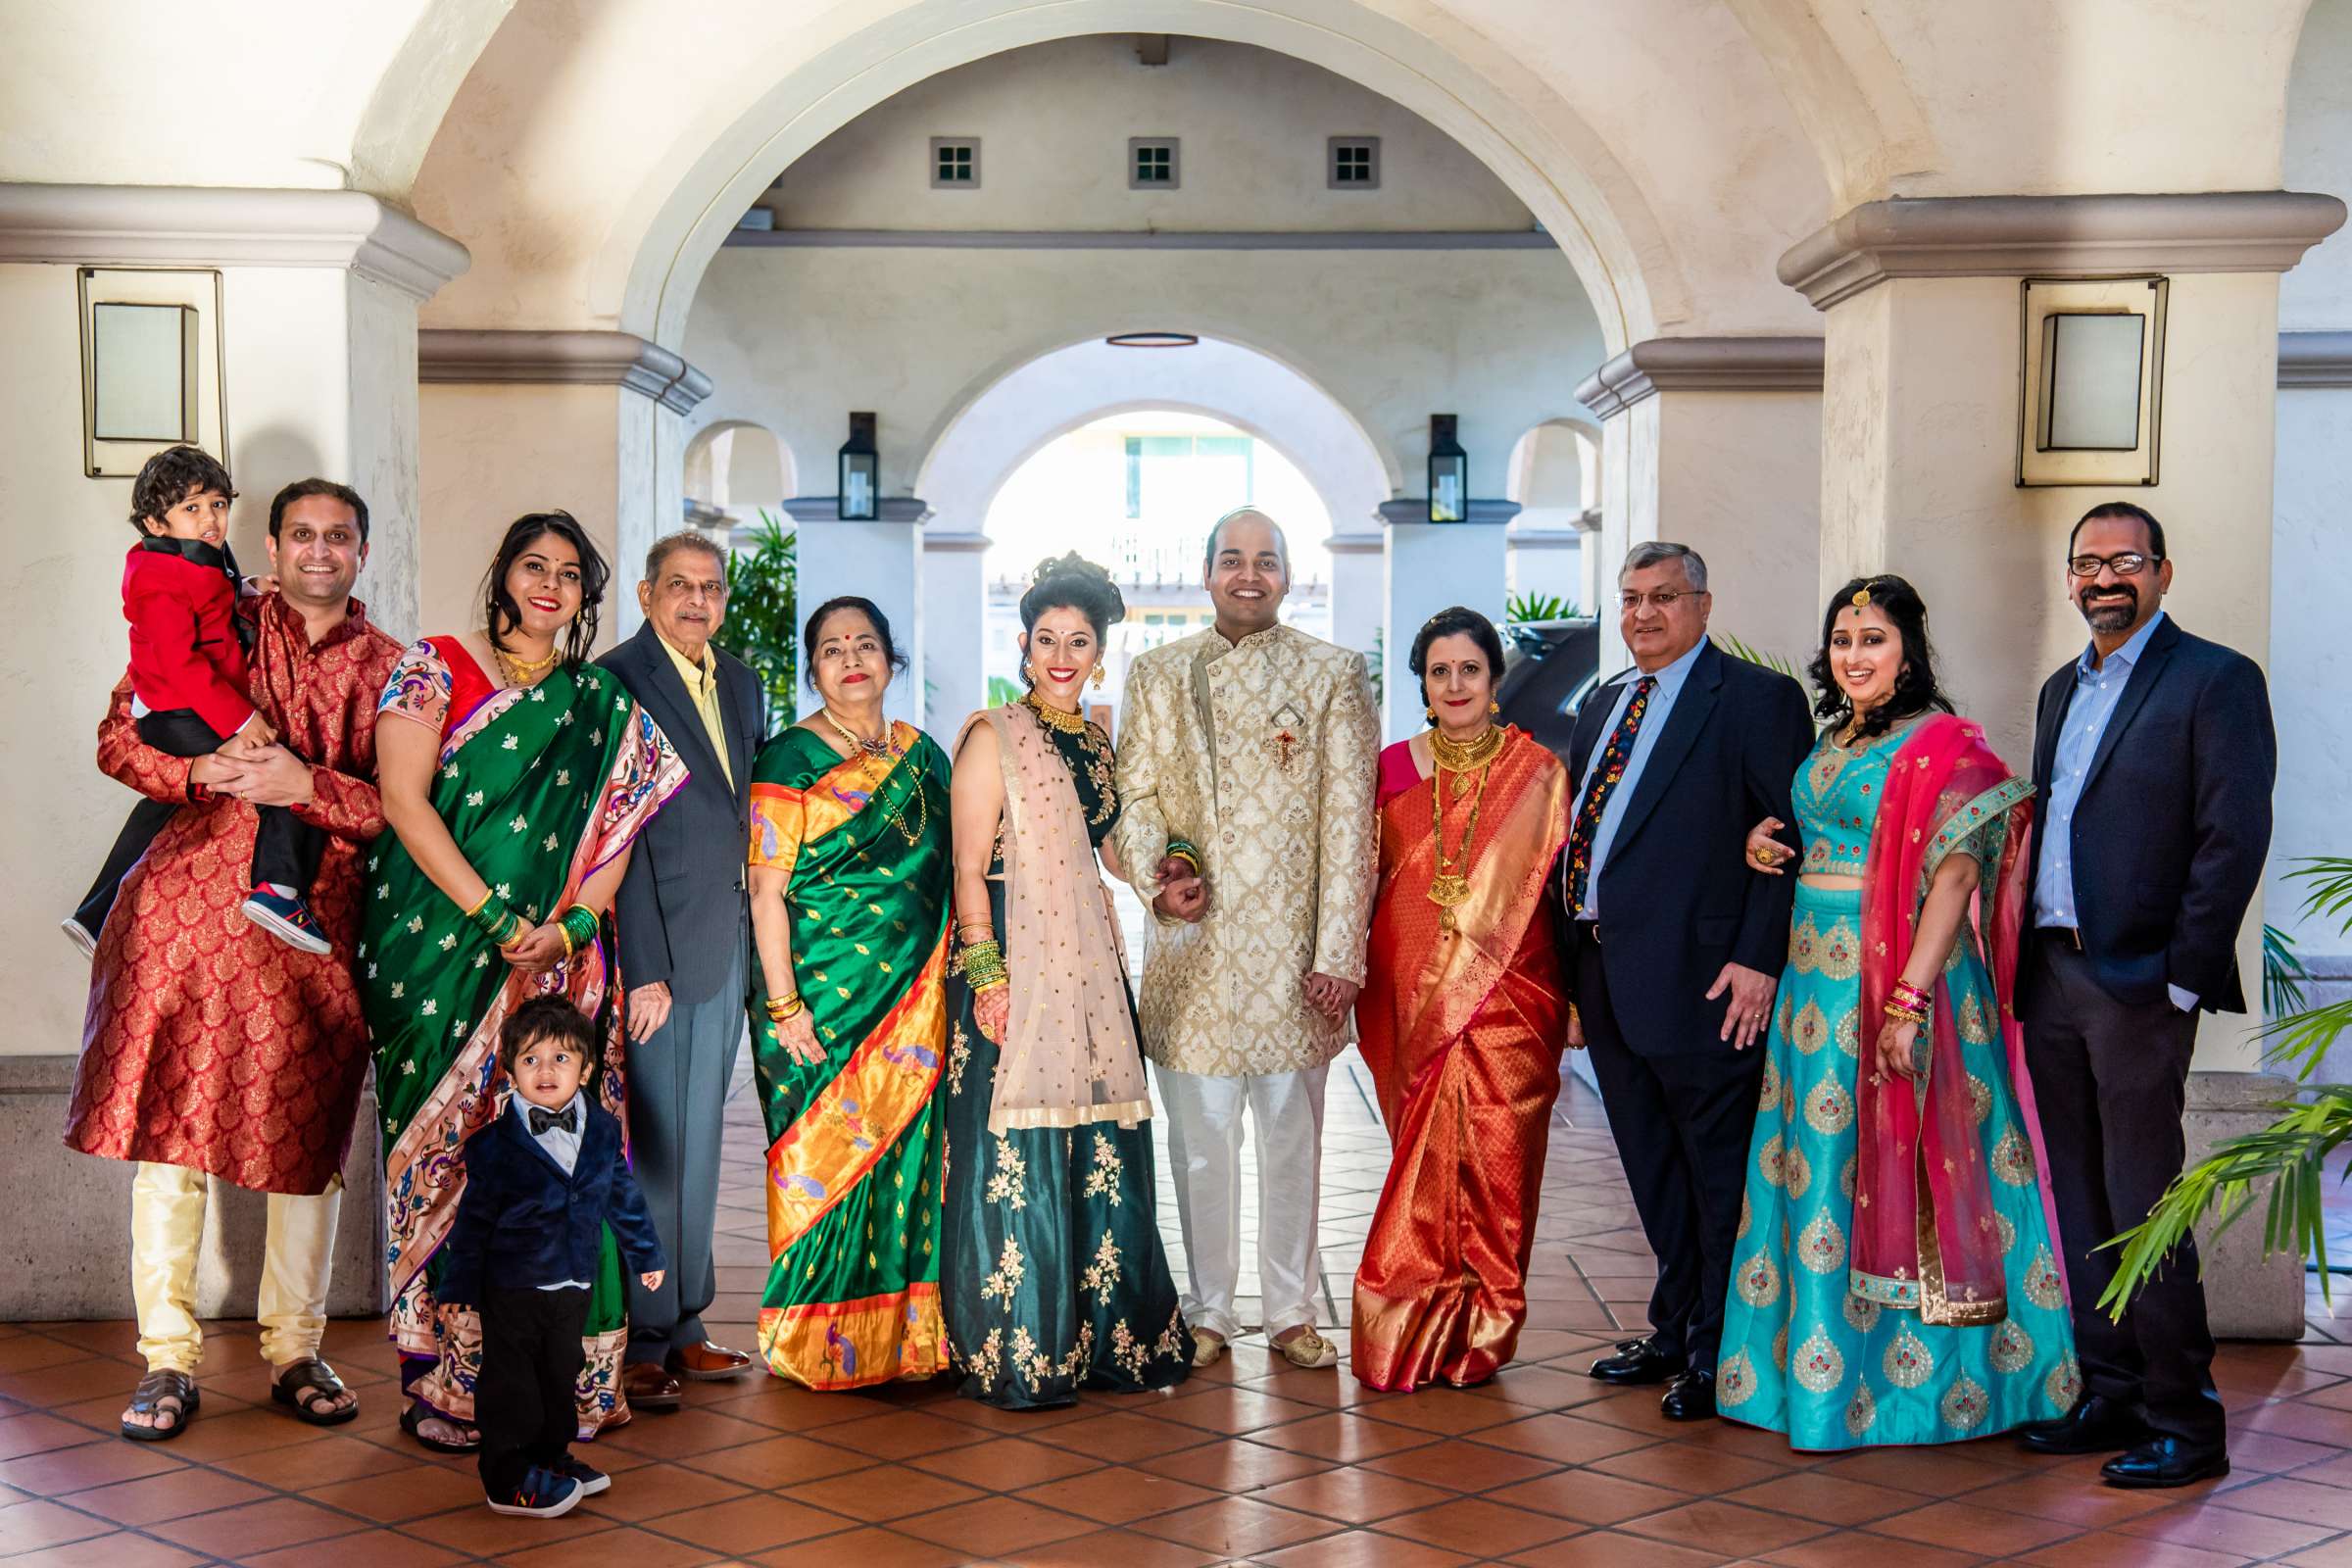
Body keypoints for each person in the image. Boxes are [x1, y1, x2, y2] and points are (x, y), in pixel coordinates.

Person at [67, 477, 402, 1442]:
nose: (319, 550)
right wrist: (196, 771)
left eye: (339, 535)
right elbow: (117, 735)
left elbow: (400, 812)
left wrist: (310, 784)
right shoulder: (216, 615)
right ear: (272, 539)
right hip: (182, 927)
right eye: (301, 533)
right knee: (168, 1147)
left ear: (361, 552)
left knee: (307, 1149)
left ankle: (295, 1347)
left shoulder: (392, 669)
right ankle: (165, 1359)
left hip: (311, 934)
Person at [1718, 574, 2077, 1449]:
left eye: (1872, 639)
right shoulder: (1834, 737)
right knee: (1820, 1164)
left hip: (1903, 982)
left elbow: (1953, 876)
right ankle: (1808, 1379)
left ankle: (1937, 1390)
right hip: (1814, 981)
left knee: (1909, 1156)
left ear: (1909, 650)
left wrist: (1909, 1003)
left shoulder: (1944, 743)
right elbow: (1835, 835)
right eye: (1843, 640)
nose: (1854, 657)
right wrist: (1774, 841)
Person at [364, 511, 686, 1452]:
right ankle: (450, 1385)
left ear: (587, 595)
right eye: (533, 566)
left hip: (560, 966)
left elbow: (619, 832)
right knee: (449, 1158)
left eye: (570, 574)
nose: (550, 585)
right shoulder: (435, 667)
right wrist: (496, 919)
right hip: (435, 953)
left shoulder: (601, 702)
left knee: (562, 1157)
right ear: (503, 574)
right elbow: (402, 802)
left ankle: (569, 1384)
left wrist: (572, 923)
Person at [2015, 502, 2275, 1489]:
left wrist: (2177, 976)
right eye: (2086, 562)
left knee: (2143, 1201)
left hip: (2137, 984)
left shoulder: (2214, 679)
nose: (2103, 577)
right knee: (2076, 1196)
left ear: (2163, 572)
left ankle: (2185, 1417)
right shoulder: (2058, 688)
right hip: (2051, 974)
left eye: (2124, 560)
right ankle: (2111, 1390)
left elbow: (2232, 835)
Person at [1110, 508, 1379, 1371]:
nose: (1249, 574)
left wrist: (1339, 950)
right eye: (1233, 559)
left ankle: (1296, 1310)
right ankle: (1211, 1309)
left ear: (1289, 577)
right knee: (1200, 1145)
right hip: (1194, 953)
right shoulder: (1157, 674)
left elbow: (1352, 824)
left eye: (1266, 560)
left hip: (1298, 959)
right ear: (1207, 572)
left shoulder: (1332, 673)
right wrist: (1162, 874)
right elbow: (1135, 797)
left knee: (1293, 1138)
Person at [1559, 541, 1814, 1421]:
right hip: (1605, 967)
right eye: (1631, 599)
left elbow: (1786, 838)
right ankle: (1673, 1325)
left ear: (1704, 605)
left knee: (1713, 1168)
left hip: (1707, 977)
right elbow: (1582, 838)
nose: (1644, 615)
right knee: (1650, 1163)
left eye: (1664, 597)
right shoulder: (1603, 704)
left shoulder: (1754, 699)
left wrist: (1758, 958)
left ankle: (1718, 1351)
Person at [940, 555, 1194, 1407]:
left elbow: (1113, 851)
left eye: (1078, 641)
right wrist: (987, 977)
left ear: (1098, 652)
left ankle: (1108, 1336)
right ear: (1023, 643)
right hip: (1011, 952)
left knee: (1099, 1136)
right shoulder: (993, 735)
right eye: (1047, 639)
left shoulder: (1096, 738)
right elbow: (969, 867)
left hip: (1086, 956)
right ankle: (1023, 1342)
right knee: (1016, 1144)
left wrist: (1164, 881)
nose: (1061, 654)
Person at [1351, 608, 1572, 1391]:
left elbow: (1557, 896)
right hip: (1407, 992)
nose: (1454, 685)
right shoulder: (1392, 769)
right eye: (1439, 671)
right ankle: (1412, 1311)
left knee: (1500, 1168)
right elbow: (1361, 881)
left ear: (1494, 679)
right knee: (1424, 1159)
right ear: (1422, 680)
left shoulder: (1537, 771)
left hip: (1515, 995)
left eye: (1469, 670)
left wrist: (1572, 1001)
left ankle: (1485, 1321)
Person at [744, 598, 953, 1387]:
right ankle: (816, 1341)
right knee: (825, 1161)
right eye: (832, 649)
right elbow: (765, 891)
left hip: (915, 994)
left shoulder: (922, 756)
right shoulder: (789, 759)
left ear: (891, 661)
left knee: (908, 1161)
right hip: (819, 1000)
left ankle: (910, 1336)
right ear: (814, 670)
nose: (851, 657)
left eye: (866, 643)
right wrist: (785, 1006)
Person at [594, 532, 764, 1409]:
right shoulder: (618, 680)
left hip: (726, 942)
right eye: (678, 587)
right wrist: (644, 970)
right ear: (649, 594)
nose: (696, 602)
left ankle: (689, 1321)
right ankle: (646, 1336)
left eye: (710, 588)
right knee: (656, 1145)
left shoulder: (741, 680)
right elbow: (617, 832)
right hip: (657, 950)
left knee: (702, 1142)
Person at [67, 445, 331, 956]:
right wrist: (241, 722)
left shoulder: (194, 557)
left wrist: (250, 587)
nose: (210, 519)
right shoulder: (157, 578)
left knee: (155, 809)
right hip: (179, 710)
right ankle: (278, 891)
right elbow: (183, 664)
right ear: (154, 522)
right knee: (283, 773)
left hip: (179, 708)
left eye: (217, 504)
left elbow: (214, 596)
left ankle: (94, 913)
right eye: (192, 508)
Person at [442, 998, 667, 1519]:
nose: (546, 1071)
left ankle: (551, 1455)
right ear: (511, 1070)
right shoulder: (493, 1146)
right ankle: (506, 1475)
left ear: (586, 1068)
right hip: (513, 1287)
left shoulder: (603, 1131)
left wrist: (646, 1254)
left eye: (561, 1059)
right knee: (511, 1383)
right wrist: (458, 1287)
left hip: (572, 1282)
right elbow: (472, 1224)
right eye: (531, 1059)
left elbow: (623, 1199)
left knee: (559, 1374)